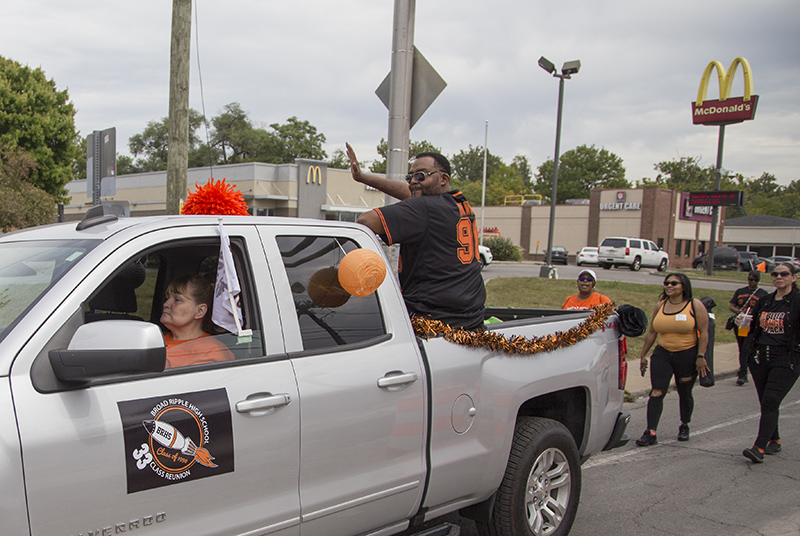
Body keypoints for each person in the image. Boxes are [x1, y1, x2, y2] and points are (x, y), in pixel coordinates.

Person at [347, 143, 486, 330]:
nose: (413, 181)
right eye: (410, 176)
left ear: (444, 178)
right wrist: (363, 178)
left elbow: (366, 222)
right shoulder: (457, 204)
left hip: (433, 326)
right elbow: (413, 194)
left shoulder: (426, 208)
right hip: (469, 321)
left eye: (421, 175)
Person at [636, 273, 710, 446]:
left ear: (683, 286)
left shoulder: (694, 305)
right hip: (662, 354)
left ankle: (684, 425)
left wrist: (701, 356)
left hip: (687, 355)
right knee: (656, 391)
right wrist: (643, 355)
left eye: (674, 283)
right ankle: (651, 432)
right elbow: (653, 332)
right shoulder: (660, 306)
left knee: (684, 392)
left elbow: (704, 332)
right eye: (667, 283)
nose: (669, 286)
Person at [741, 263, 800, 464]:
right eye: (775, 274)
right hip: (760, 357)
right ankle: (774, 439)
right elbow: (754, 326)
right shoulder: (765, 301)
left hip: (786, 358)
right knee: (766, 401)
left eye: (784, 274)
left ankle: (759, 447)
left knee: (771, 401)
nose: (778, 277)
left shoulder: (797, 301)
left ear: (794, 278)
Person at [161, 275, 234, 369]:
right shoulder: (155, 338)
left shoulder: (210, 352)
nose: (165, 304)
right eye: (167, 298)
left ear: (200, 311)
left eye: (177, 300)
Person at [729, 270, 768, 385]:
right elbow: (732, 305)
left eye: (755, 280)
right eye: (750, 280)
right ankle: (743, 371)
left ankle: (743, 374)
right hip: (740, 323)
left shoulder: (762, 294)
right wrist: (738, 311)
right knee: (742, 349)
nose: (752, 282)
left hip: (752, 325)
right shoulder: (740, 291)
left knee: (747, 349)